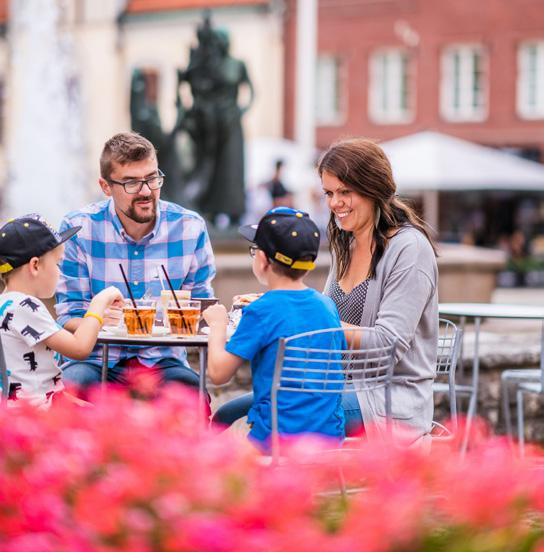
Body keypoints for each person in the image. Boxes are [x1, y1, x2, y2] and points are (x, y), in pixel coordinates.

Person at [55, 132, 216, 392]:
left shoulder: (190, 227)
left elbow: (201, 313)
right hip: (92, 358)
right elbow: (69, 316)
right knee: (67, 394)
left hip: (162, 361)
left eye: (152, 178)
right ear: (106, 187)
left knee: (191, 399)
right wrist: (101, 319)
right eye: (131, 183)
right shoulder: (79, 228)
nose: (146, 191)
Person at [318, 137, 438, 445]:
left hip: (389, 402)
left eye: (345, 192)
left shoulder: (409, 249)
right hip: (339, 387)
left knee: (282, 412)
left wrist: (319, 321)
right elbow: (327, 317)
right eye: (329, 193)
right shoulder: (346, 242)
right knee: (237, 409)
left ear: (374, 189)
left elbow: (388, 345)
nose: (334, 203)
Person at [203, 207, 344, 449]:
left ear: (262, 259)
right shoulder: (327, 306)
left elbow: (218, 374)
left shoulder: (262, 310)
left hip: (274, 442)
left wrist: (218, 323)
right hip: (329, 439)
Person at [0, 214, 123, 408]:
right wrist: (99, 303)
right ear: (35, 265)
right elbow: (80, 348)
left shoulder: (7, 304)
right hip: (36, 411)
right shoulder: (24, 306)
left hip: (37, 403)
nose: (60, 272)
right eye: (57, 263)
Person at [177, 22, 254, 227]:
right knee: (215, 168)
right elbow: (198, 89)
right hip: (213, 124)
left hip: (232, 122)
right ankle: (212, 209)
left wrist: (242, 110)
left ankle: (235, 212)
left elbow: (252, 92)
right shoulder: (211, 65)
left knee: (233, 168)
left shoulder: (238, 64)